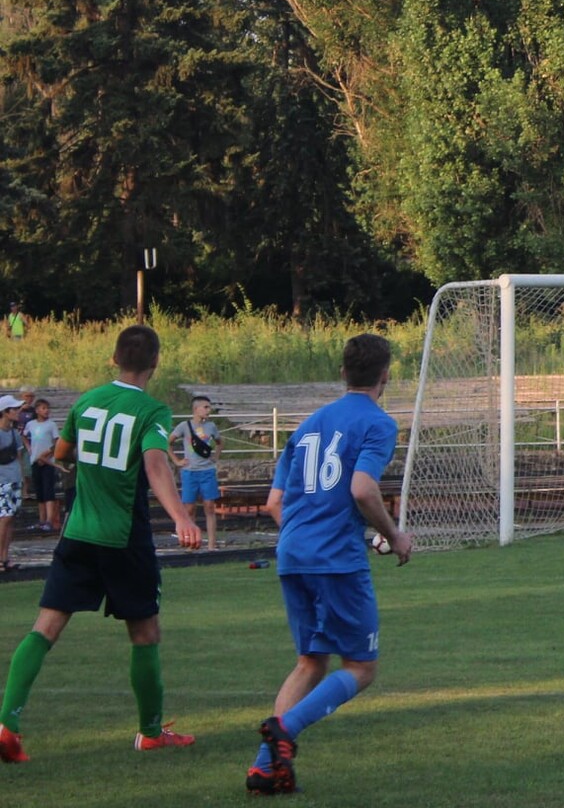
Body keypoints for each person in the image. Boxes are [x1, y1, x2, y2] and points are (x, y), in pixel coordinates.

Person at [0, 325, 203, 764]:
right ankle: (151, 733)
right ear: (155, 362)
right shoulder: (152, 410)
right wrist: (182, 516)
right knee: (145, 633)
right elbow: (155, 464)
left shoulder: (87, 400)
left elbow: (62, 453)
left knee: (45, 627)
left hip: (78, 532)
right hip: (123, 537)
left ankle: (7, 724)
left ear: (114, 359)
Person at [246, 333, 412, 797]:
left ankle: (265, 769)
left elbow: (274, 502)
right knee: (361, 666)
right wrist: (394, 535)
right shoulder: (378, 423)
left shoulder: (308, 425)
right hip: (335, 561)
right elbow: (362, 489)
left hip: (292, 552)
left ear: (343, 373)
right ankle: (284, 731)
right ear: (385, 375)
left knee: (310, 662)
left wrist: (311, 534)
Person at [172, 395, 222, 553]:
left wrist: (215, 457)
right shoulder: (184, 426)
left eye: (209, 407)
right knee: (189, 508)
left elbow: (219, 442)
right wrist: (176, 460)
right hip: (190, 472)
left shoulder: (211, 426)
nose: (208, 410)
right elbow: (168, 442)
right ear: (196, 409)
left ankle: (211, 544)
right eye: (205, 407)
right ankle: (190, 544)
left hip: (207, 471)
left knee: (209, 506)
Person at [24, 399, 62, 537]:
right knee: (39, 492)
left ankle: (49, 520)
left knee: (48, 491)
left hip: (48, 462)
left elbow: (57, 442)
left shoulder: (51, 425)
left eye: (47, 408)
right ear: (37, 410)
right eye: (43, 408)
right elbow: (24, 436)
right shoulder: (31, 424)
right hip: (35, 460)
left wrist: (47, 455)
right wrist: (29, 448)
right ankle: (42, 519)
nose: (46, 411)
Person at [0, 398, 23, 571]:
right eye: (14, 409)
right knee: (5, 518)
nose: (17, 412)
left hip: (14, 479)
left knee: (11, 518)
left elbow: (19, 457)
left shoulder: (14, 433)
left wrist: (23, 481)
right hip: (2, 481)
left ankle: (5, 557)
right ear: (5, 412)